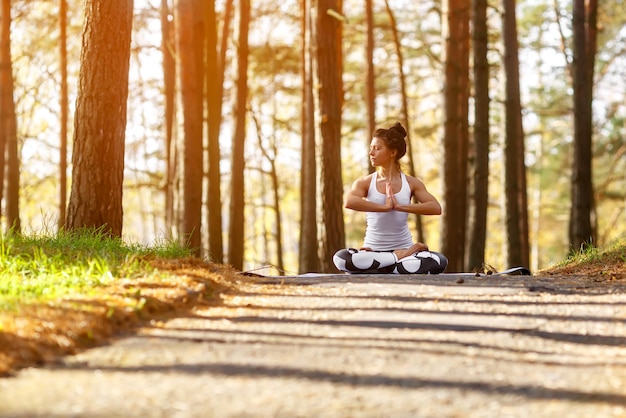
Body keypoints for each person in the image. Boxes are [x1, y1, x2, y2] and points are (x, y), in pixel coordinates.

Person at [333, 122, 448, 274]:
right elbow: (349, 201)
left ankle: (383, 265)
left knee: (438, 261)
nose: (371, 153)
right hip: (373, 251)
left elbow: (435, 207)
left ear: (393, 152)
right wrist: (385, 207)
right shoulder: (366, 182)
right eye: (371, 149)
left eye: (377, 148)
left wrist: (400, 206)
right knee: (341, 258)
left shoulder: (411, 183)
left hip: (403, 249)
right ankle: (395, 260)